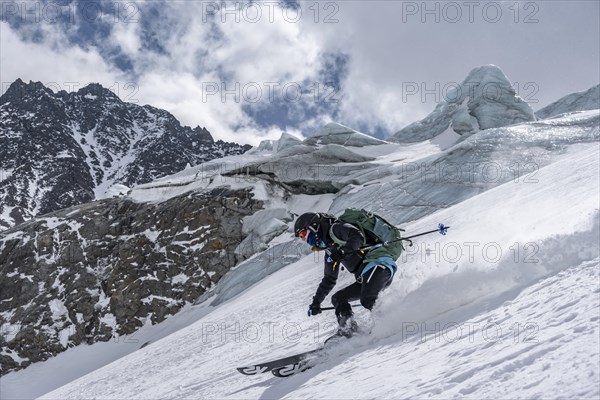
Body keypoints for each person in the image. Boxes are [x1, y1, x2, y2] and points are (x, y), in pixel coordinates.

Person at [294, 212, 398, 337]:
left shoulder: (336, 229)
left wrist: (344, 251)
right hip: (366, 275)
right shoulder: (330, 250)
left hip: (379, 265)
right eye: (301, 237)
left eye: (303, 234)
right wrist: (316, 302)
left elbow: (357, 236)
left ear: (314, 227)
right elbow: (329, 278)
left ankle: (393, 324)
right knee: (338, 298)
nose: (304, 239)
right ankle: (349, 330)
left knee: (367, 299)